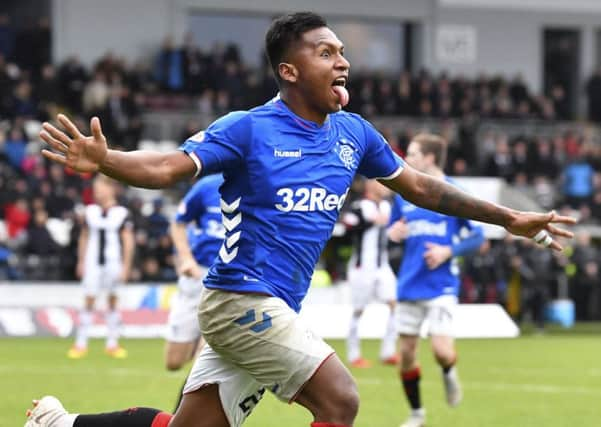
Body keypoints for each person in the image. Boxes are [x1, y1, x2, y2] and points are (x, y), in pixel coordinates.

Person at [29, 11, 574, 427]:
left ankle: (62, 422)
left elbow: (422, 186)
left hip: (276, 304)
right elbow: (169, 167)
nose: (343, 61)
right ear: (289, 70)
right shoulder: (248, 128)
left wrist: (506, 217)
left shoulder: (354, 134)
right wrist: (108, 159)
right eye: (326, 52)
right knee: (341, 398)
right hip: (239, 300)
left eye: (342, 52)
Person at [387, 133, 485, 427]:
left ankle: (448, 372)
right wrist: (393, 234)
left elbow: (479, 236)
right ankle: (417, 413)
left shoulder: (453, 192)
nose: (408, 159)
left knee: (442, 352)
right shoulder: (405, 194)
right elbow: (394, 229)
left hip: (441, 284)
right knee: (405, 356)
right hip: (409, 281)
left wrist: (448, 251)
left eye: (414, 154)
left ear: (430, 158)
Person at [166, 173, 225, 411]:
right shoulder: (207, 187)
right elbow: (178, 222)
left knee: (204, 358)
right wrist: (186, 258)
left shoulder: (257, 184)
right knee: (174, 361)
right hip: (195, 277)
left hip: (226, 281)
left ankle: (181, 418)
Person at [67, 175, 134, 359]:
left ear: (110, 189)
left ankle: (112, 344)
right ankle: (80, 344)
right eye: (95, 189)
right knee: (89, 300)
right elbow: (84, 237)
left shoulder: (122, 213)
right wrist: (81, 261)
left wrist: (126, 266)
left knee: (112, 301)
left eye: (100, 189)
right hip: (92, 262)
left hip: (113, 262)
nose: (97, 193)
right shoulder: (90, 212)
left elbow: (128, 241)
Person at [342, 179, 399, 368]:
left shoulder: (387, 206)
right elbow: (347, 225)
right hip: (362, 266)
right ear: (371, 186)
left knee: (394, 304)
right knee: (358, 310)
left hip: (382, 265)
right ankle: (353, 354)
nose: (385, 188)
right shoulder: (360, 206)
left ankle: (388, 352)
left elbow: (392, 230)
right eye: (381, 184)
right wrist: (369, 222)